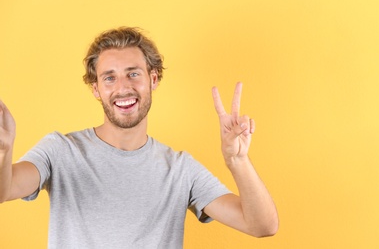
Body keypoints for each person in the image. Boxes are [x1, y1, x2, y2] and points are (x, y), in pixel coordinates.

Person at [0, 27, 278, 248]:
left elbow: (262, 226)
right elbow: (5, 189)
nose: (123, 88)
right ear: (96, 89)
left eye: (133, 74)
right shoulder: (60, 151)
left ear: (153, 80)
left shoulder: (181, 169)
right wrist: (3, 151)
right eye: (109, 78)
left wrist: (238, 160)